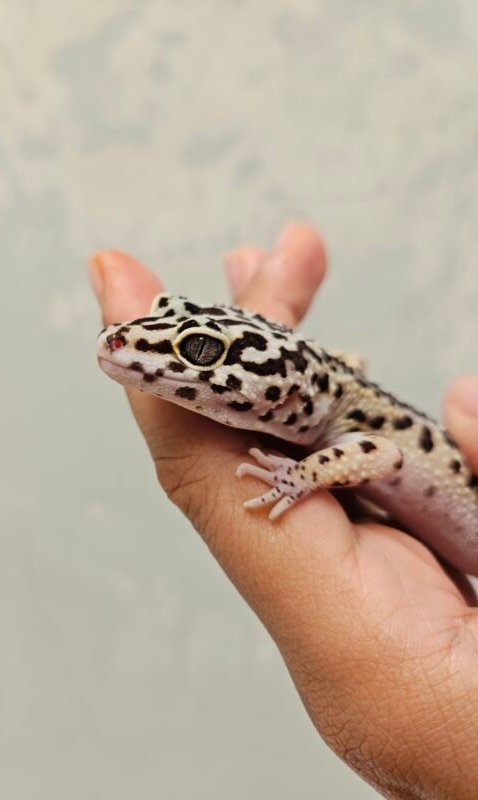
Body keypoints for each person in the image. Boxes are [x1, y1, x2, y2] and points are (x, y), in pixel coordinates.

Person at [89, 223, 478, 800]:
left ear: (290, 396)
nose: (128, 341)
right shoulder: (325, 395)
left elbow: (382, 451)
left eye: (198, 352)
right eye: (164, 318)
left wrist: (303, 476)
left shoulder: (349, 419)